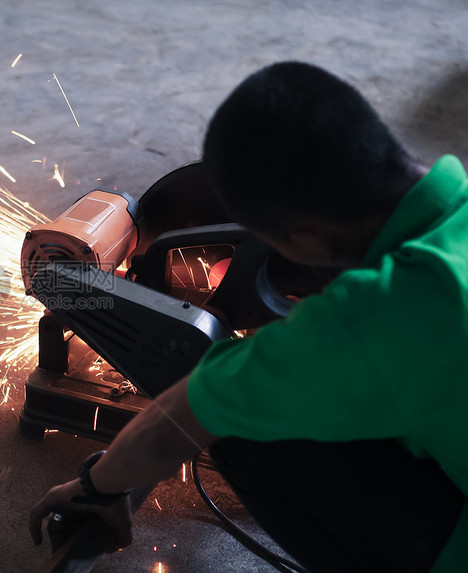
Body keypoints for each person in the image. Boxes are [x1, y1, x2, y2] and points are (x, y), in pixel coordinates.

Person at [28, 61, 468, 572]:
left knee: (242, 432)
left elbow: (196, 408)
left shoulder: (375, 315)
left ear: (302, 239)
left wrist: (95, 485)